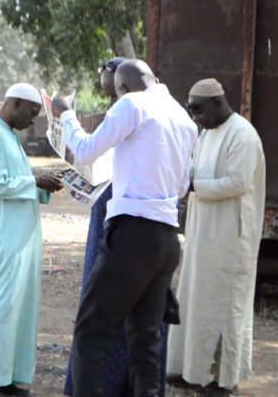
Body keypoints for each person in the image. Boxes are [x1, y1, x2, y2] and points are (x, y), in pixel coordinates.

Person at [52, 60, 198, 397]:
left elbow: (86, 151)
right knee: (146, 339)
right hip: (166, 240)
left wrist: (65, 114)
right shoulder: (181, 117)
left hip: (133, 235)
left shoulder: (131, 104)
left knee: (92, 331)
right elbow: (181, 187)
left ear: (121, 89)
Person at [0, 83, 63, 397]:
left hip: (14, 244)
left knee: (13, 314)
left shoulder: (9, 137)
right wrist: (35, 181)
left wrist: (43, 183)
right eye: (31, 113)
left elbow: (17, 183)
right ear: (15, 103)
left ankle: (4, 379)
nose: (33, 121)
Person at [166, 78, 265, 395]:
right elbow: (194, 172)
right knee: (196, 300)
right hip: (202, 233)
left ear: (218, 103)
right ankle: (191, 370)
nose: (195, 117)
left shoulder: (243, 134)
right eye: (190, 110)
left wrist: (195, 187)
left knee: (225, 306)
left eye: (198, 110)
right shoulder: (207, 133)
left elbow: (238, 182)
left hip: (229, 237)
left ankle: (225, 381)